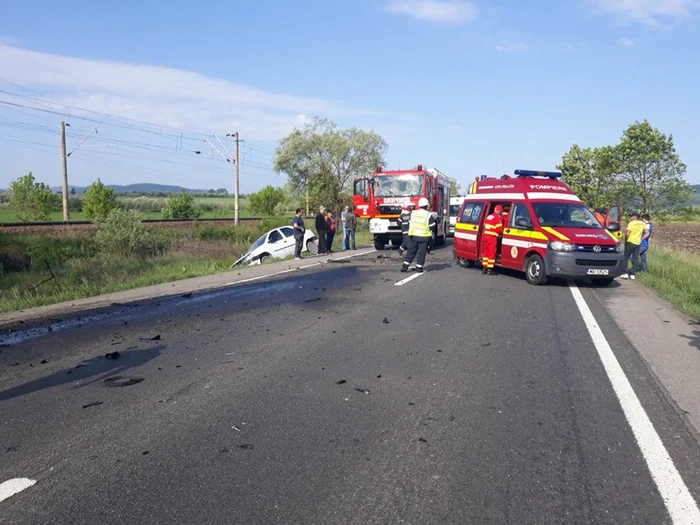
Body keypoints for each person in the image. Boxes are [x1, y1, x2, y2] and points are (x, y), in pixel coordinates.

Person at [400, 197, 435, 273]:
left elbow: (409, 222)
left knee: (411, 252)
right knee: (421, 253)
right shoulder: (428, 215)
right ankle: (419, 268)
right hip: (424, 237)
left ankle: (404, 267)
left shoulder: (413, 213)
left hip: (414, 236)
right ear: (427, 206)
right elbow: (432, 226)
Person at [621, 212, 646, 280]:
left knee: (626, 257)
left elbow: (627, 233)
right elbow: (647, 233)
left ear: (635, 217)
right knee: (635, 258)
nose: (630, 217)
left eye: (631, 216)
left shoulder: (631, 223)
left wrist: (625, 239)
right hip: (637, 243)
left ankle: (625, 273)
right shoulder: (642, 223)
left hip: (630, 241)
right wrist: (641, 238)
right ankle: (632, 273)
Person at [481, 205, 504, 275]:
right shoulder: (497, 217)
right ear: (499, 211)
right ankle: (490, 269)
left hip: (486, 236)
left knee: (486, 252)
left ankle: (484, 268)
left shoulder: (489, 216)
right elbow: (499, 230)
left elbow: (485, 226)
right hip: (492, 237)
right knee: (492, 252)